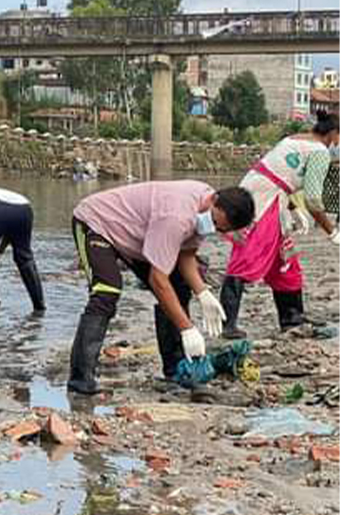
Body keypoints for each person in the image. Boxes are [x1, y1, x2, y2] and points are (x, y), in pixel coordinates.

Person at [66, 181, 255, 395]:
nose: (213, 228)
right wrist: (187, 328)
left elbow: (185, 253)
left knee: (179, 286)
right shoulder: (176, 216)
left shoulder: (204, 209)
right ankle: (80, 381)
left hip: (137, 237)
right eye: (214, 221)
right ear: (214, 199)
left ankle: (174, 369)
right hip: (97, 223)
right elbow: (158, 280)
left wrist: (202, 292)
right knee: (106, 292)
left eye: (221, 229)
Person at [219, 110, 341, 338]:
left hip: (263, 193)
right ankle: (227, 323)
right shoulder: (319, 152)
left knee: (285, 260)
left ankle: (292, 318)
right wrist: (332, 232)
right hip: (264, 202)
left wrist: (293, 210)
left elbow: (280, 174)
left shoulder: (294, 139)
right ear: (334, 133)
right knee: (247, 258)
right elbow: (314, 200)